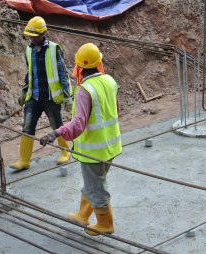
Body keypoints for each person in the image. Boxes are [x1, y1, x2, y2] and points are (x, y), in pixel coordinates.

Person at [39, 43, 122, 236]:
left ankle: (105, 223)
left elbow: (78, 124)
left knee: (96, 186)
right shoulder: (110, 81)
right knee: (93, 183)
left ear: (79, 67)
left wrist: (56, 133)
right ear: (98, 63)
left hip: (93, 150)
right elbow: (115, 110)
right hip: (111, 146)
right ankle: (83, 215)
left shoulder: (84, 89)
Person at [9, 16, 73, 170]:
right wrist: (24, 90)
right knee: (27, 126)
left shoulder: (54, 49)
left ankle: (65, 152)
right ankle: (24, 160)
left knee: (56, 125)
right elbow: (29, 72)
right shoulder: (28, 49)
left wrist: (67, 96)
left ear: (42, 33)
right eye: (29, 35)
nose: (31, 38)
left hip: (51, 97)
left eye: (34, 35)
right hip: (35, 97)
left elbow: (62, 73)